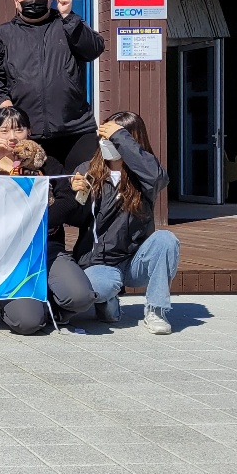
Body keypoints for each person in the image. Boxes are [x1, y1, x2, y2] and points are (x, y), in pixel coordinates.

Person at [0, 106, 98, 335]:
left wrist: (32, 220)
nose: (12, 137)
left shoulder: (47, 165)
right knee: (27, 323)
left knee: (81, 297)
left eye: (19, 130)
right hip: (9, 255)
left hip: (48, 246)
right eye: (4, 131)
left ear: (29, 131)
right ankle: (19, 306)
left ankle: (53, 307)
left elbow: (67, 204)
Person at [0, 0, 105, 171]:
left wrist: (69, 16)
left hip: (76, 128)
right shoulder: (3, 34)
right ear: (16, 1)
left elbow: (93, 49)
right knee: (35, 187)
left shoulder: (67, 24)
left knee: (84, 185)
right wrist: (4, 103)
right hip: (28, 134)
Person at [72, 111, 180, 336]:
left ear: (132, 140)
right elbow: (75, 217)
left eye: (114, 137)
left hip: (135, 260)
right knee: (97, 288)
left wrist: (120, 137)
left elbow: (158, 177)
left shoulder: (145, 177)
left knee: (166, 240)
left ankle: (156, 310)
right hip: (100, 261)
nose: (107, 142)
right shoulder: (87, 170)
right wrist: (75, 193)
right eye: (105, 136)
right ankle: (108, 300)